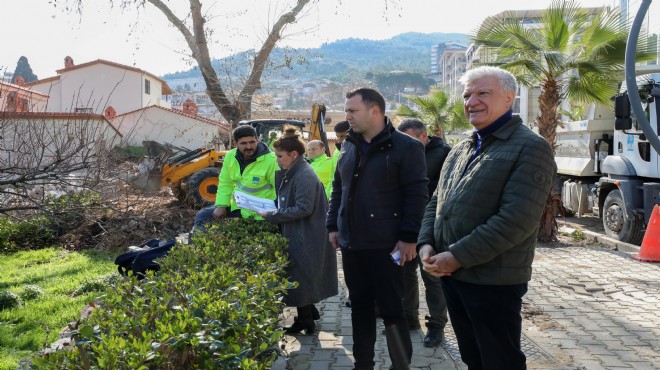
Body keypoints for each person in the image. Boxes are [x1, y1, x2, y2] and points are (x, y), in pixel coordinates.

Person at [417, 66, 556, 370]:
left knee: (500, 361)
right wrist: (425, 243)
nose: (472, 101)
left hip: (493, 281)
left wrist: (456, 256)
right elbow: (437, 201)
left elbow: (515, 220)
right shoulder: (463, 146)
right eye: (467, 95)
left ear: (509, 98)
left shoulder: (531, 147)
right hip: (454, 276)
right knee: (473, 358)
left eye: (483, 93)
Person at [327, 87, 428, 370]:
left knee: (393, 311)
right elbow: (338, 187)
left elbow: (417, 194)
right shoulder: (348, 145)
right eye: (346, 111)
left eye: (352, 111)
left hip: (388, 247)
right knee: (360, 308)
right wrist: (332, 224)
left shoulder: (407, 147)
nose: (347, 117)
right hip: (352, 245)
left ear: (375, 111)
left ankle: (400, 365)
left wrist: (409, 237)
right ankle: (364, 365)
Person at [259, 126, 338, 335]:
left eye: (280, 156)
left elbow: (304, 208)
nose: (277, 160)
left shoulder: (303, 175)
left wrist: (273, 216)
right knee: (300, 275)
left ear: (293, 155)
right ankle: (308, 312)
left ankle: (305, 320)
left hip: (307, 234)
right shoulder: (296, 170)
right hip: (302, 232)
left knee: (299, 276)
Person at [396, 118, 451, 348]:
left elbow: (444, 193)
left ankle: (436, 325)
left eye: (410, 139)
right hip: (405, 226)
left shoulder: (445, 154)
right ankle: (409, 318)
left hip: (432, 228)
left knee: (433, 277)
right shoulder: (402, 152)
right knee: (405, 274)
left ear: (424, 136)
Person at [192, 125, 278, 232]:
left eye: (252, 142)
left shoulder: (271, 160)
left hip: (261, 211)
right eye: (244, 143)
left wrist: (275, 214)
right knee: (203, 216)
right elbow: (225, 183)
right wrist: (222, 205)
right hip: (239, 206)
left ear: (258, 141)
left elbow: (280, 189)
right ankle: (196, 246)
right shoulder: (230, 157)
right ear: (235, 144)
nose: (249, 146)